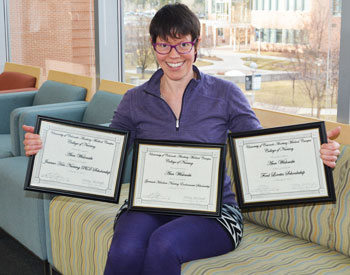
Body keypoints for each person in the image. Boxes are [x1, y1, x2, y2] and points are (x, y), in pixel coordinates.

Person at [23, 3, 341, 275]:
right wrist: (48, 148)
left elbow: (258, 150)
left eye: (183, 45)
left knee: (164, 243)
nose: (174, 55)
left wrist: (314, 155)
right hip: (149, 203)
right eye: (164, 45)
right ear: (153, 46)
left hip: (216, 211)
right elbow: (106, 149)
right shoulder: (135, 99)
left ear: (196, 44)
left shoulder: (226, 94)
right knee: (125, 248)